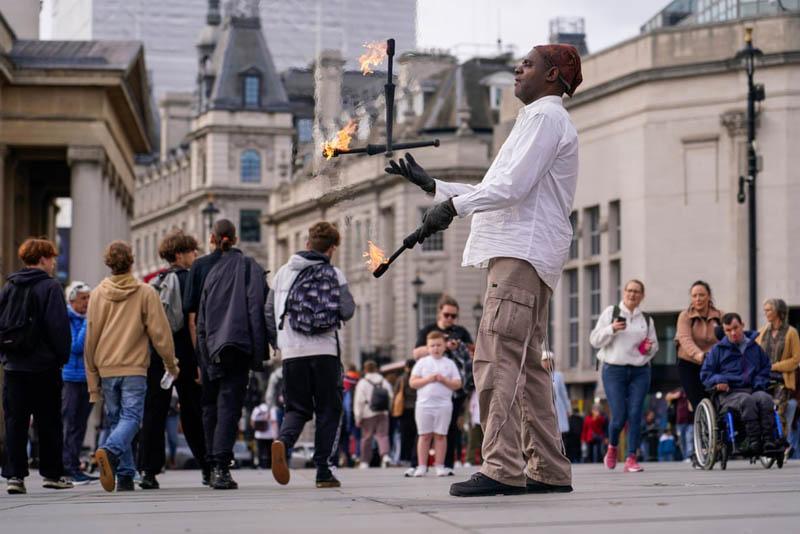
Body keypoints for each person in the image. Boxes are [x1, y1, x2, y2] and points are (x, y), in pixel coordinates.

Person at [389, 43, 582, 497]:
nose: (518, 69)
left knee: (495, 359)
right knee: (530, 367)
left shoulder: (543, 118)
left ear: (553, 75)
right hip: (530, 254)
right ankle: (549, 469)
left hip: (519, 254)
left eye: (528, 64)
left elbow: (509, 189)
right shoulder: (542, 120)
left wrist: (451, 208)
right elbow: (499, 187)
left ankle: (502, 467)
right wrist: (436, 187)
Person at [267, 221, 355, 489]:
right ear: (331, 249)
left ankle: (284, 441)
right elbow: (347, 309)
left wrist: (277, 343)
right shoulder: (334, 273)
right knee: (329, 409)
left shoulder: (282, 273)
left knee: (296, 408)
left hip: (292, 353)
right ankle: (323, 471)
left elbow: (268, 312)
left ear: (307, 244)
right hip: (325, 351)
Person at [87, 241, 180, 493]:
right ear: (132, 261)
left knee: (118, 419)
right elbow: (160, 334)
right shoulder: (145, 292)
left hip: (106, 367)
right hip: (133, 367)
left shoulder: (96, 294)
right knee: (131, 419)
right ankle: (109, 450)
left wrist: (92, 378)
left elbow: (90, 338)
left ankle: (126, 476)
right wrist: (171, 364)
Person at [196, 219, 268, 490]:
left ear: (214, 238)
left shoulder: (211, 272)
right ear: (235, 238)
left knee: (211, 407)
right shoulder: (249, 267)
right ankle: (221, 467)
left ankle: (212, 462)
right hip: (237, 346)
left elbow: (201, 317)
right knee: (229, 407)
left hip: (212, 347)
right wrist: (259, 353)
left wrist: (204, 352)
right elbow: (256, 311)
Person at [0, 238, 73, 494]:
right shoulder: (50, 286)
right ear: (42, 259)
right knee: (49, 422)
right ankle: (52, 474)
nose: (53, 263)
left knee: (15, 422)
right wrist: (61, 356)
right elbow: (58, 326)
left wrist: (5, 356)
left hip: (14, 367)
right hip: (44, 367)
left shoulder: (10, 285)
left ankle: (14, 477)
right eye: (51, 258)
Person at [138, 231, 209, 490]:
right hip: (186, 353)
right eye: (191, 252)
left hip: (158, 354)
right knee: (193, 411)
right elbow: (192, 321)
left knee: (154, 411)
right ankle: (207, 466)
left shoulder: (155, 281)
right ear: (179, 254)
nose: (195, 255)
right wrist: (200, 359)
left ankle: (148, 470)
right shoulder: (191, 279)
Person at [590, 279, 658, 472]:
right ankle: (612, 447)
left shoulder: (646, 319)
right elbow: (594, 340)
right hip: (614, 370)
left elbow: (654, 345)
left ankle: (631, 458)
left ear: (642, 296)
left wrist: (648, 348)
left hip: (640, 370)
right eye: (629, 290)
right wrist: (611, 329)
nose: (632, 294)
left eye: (637, 292)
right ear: (624, 292)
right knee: (619, 416)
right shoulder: (611, 313)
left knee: (636, 413)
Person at [701, 313, 776, 454]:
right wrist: (719, 380)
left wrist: (759, 382)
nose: (733, 333)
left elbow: (766, 367)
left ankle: (769, 440)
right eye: (728, 330)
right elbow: (706, 374)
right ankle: (753, 441)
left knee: (765, 399)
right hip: (730, 392)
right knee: (747, 400)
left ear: (742, 325)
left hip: (754, 388)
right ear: (724, 331)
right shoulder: (718, 350)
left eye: (735, 328)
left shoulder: (755, 348)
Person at [408, 331, 463, 477]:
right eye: (432, 346)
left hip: (443, 404)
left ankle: (439, 465)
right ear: (428, 347)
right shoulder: (422, 362)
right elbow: (412, 382)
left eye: (439, 345)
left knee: (440, 435)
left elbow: (458, 384)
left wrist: (444, 380)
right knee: (424, 435)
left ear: (444, 346)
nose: (436, 348)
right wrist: (428, 379)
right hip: (424, 405)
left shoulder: (449, 363)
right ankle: (421, 465)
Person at [61, 281, 97, 484]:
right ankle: (68, 466)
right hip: (72, 379)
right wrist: (88, 321)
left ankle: (74, 464)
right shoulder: (69, 318)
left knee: (81, 424)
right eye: (83, 298)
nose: (87, 302)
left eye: (89, 298)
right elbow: (75, 346)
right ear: (72, 300)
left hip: (87, 378)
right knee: (71, 423)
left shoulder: (84, 319)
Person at [675, 281, 722, 415]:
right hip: (690, 364)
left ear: (709, 296)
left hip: (714, 364)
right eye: (694, 295)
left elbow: (728, 337)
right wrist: (700, 355)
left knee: (719, 401)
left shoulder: (720, 316)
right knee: (699, 402)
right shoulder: (685, 316)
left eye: (701, 295)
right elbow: (685, 339)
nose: (698, 299)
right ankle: (702, 430)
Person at [756, 298, 800, 432]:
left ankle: (782, 446)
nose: (766, 313)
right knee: (761, 412)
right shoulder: (762, 331)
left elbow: (796, 359)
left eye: (769, 310)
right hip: (763, 378)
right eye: (765, 310)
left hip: (783, 380)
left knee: (779, 414)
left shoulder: (791, 332)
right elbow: (756, 354)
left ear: (778, 312)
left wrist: (774, 366)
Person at [353, 360, 393, 470]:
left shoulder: (362, 382)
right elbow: (390, 396)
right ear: (376, 368)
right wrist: (387, 409)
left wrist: (358, 417)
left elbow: (359, 401)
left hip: (367, 413)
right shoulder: (383, 381)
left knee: (367, 438)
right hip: (382, 412)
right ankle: (385, 456)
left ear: (365, 369)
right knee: (383, 435)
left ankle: (365, 461)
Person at [395, 359, 418, 467]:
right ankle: (414, 457)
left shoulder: (401, 378)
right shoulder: (418, 377)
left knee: (404, 435)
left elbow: (396, 393)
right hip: (417, 408)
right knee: (416, 435)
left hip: (404, 410)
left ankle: (404, 458)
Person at [665, 388, 694, 462]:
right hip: (680, 421)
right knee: (682, 440)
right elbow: (667, 396)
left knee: (689, 438)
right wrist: (675, 395)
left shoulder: (692, 391)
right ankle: (685, 456)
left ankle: (690, 455)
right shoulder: (680, 391)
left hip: (691, 420)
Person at [250, 394, 275, 469]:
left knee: (260, 451)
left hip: (259, 435)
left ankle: (261, 465)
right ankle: (269, 465)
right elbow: (274, 422)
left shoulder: (257, 409)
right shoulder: (271, 409)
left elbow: (252, 422)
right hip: (270, 435)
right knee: (270, 451)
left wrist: (257, 428)